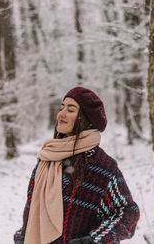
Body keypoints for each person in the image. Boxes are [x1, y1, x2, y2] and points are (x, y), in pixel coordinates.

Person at [14, 87, 139, 244]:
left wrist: (93, 239)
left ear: (85, 119)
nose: (61, 114)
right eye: (62, 107)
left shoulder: (103, 167)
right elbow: (31, 211)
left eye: (70, 109)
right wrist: (21, 238)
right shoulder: (48, 158)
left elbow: (127, 213)